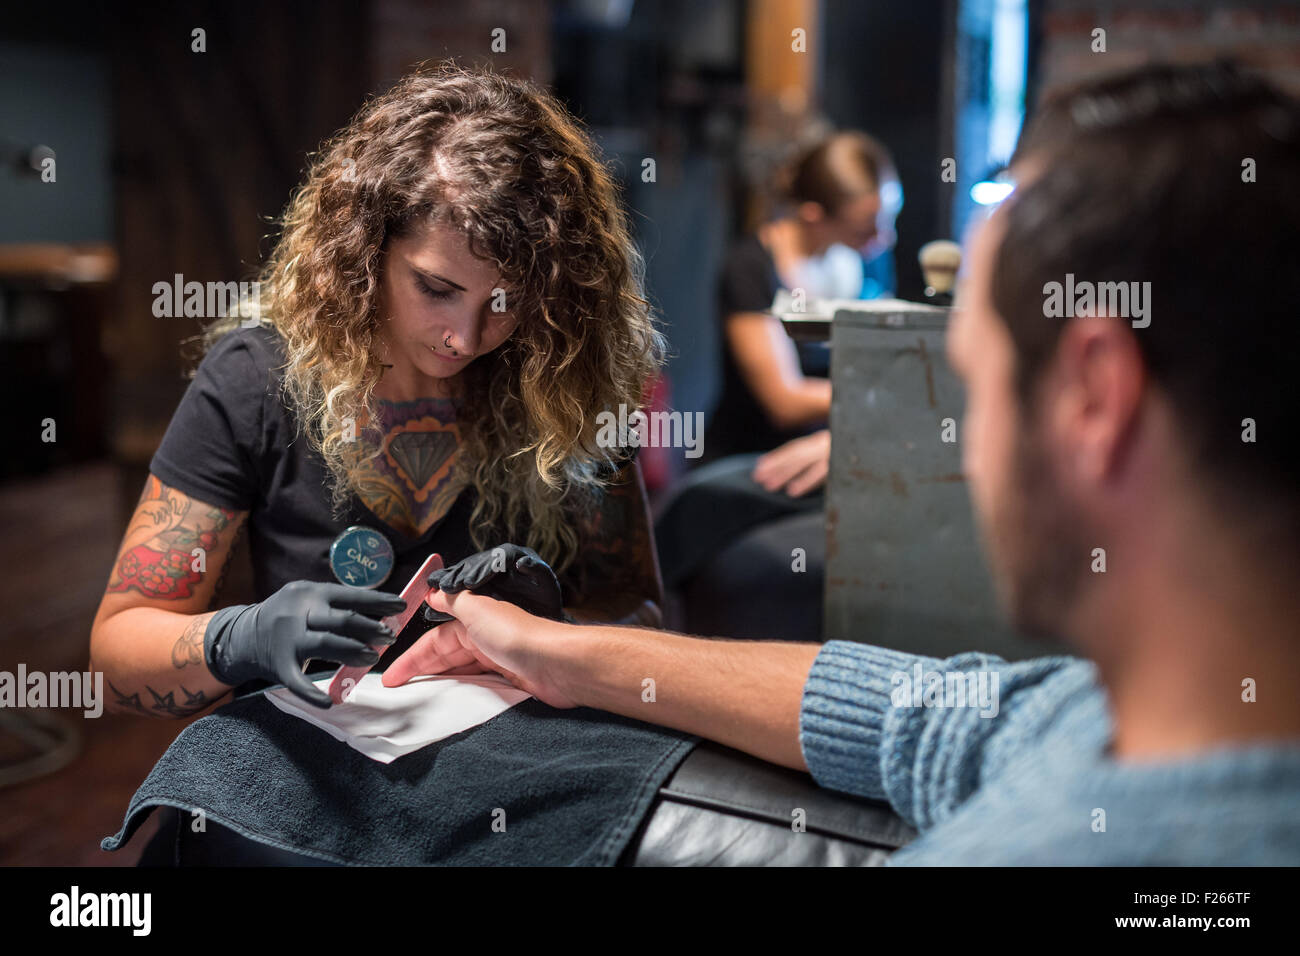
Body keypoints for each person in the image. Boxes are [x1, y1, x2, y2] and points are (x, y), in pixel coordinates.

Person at [385, 61, 1300, 864]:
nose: (967, 458)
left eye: (975, 392)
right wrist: (556, 653)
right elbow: (913, 710)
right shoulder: (1083, 716)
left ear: (1095, 400)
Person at [89, 65, 665, 717]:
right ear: (366, 250)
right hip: (321, 759)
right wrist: (239, 637)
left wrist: (550, 632)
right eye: (437, 289)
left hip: (512, 748)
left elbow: (642, 615)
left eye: (505, 304)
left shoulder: (567, 377)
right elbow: (118, 655)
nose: (464, 339)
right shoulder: (257, 377)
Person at [702, 130, 898, 463]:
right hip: (755, 456)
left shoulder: (868, 259)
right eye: (867, 226)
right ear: (813, 215)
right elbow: (785, 402)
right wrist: (896, 397)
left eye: (890, 219)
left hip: (834, 451)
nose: (886, 237)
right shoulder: (750, 269)